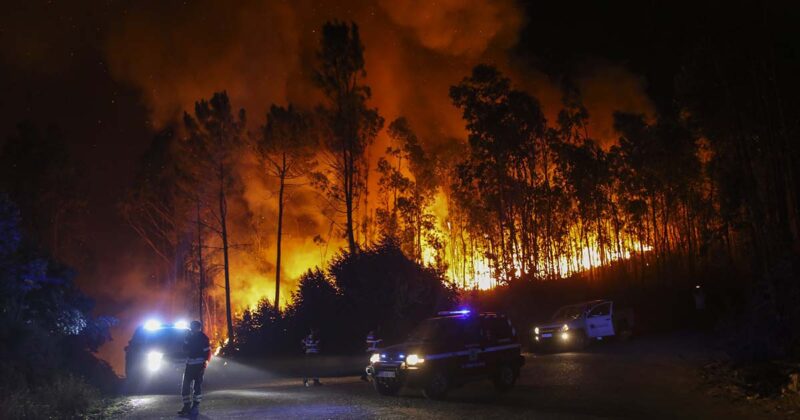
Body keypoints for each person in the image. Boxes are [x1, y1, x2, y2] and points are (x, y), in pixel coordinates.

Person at [178, 320, 211, 417]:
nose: (192, 329)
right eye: (191, 327)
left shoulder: (203, 338)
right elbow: (184, 349)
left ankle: (195, 406)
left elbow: (208, 351)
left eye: (193, 327)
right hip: (190, 364)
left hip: (199, 365)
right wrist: (186, 339)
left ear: (198, 328)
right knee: (185, 387)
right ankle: (186, 406)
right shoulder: (189, 337)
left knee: (197, 387)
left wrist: (205, 362)